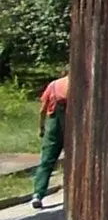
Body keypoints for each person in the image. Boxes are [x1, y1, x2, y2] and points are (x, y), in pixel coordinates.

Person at [30, 72, 67, 210]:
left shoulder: (54, 85)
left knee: (46, 161)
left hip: (53, 128)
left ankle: (38, 194)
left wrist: (41, 127)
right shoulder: (77, 85)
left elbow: (42, 109)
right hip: (73, 128)